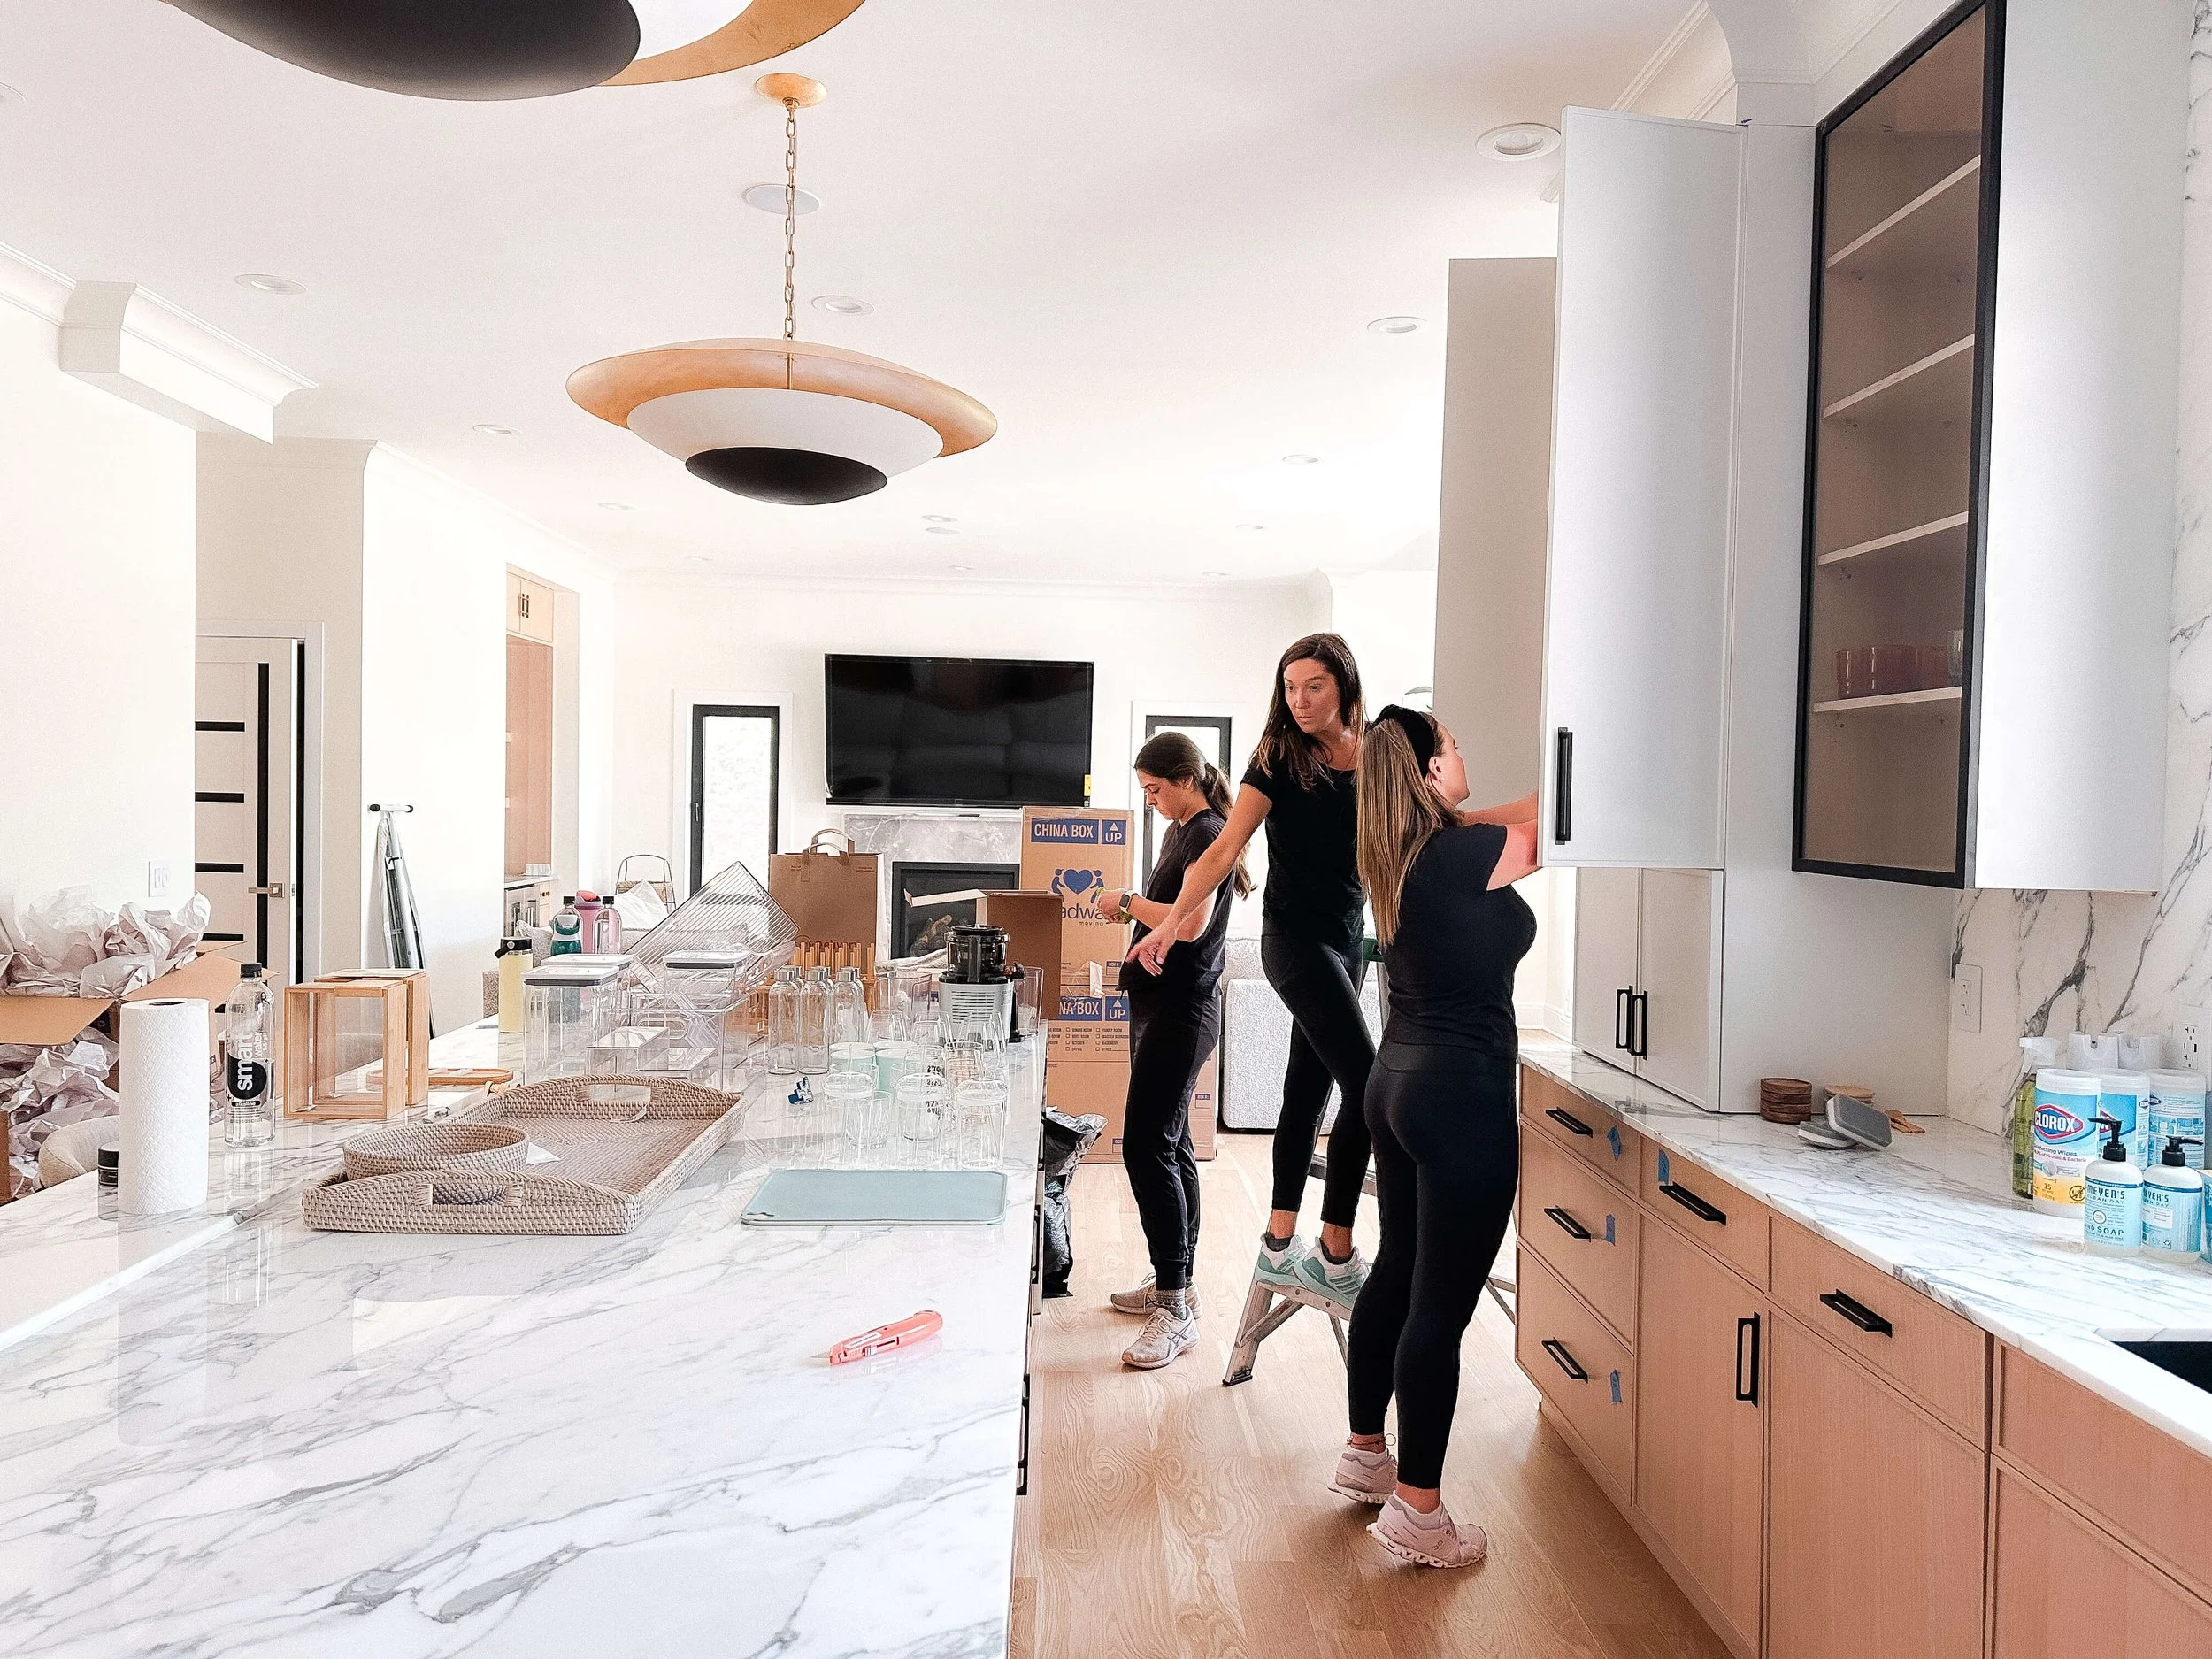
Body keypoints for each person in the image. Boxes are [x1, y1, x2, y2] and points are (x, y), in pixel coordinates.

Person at [1327, 705, 1538, 1570]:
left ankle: (1364, 1452)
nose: (1462, 750)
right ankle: (1418, 1511)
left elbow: (1503, 826)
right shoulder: (1459, 853)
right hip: (1459, 1096)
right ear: (1428, 771)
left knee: (1397, 1272)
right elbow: (1560, 819)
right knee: (1439, 1311)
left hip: (1397, 1083)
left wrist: (1448, 806)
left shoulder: (1400, 850)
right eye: (1450, 744)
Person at [1129, 633, 1374, 1314]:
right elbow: (1223, 850)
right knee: (1369, 1083)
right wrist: (1170, 923)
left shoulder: (1377, 755)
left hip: (1347, 941)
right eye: (1290, 687)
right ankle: (1335, 1251)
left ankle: (1278, 1241)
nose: (1300, 700)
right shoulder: (1276, 756)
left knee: (1307, 1088)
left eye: (1314, 686)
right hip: (1292, 941)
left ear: (1345, 686)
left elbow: (1408, 833)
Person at [1087, 732, 1250, 1370]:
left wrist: (1127, 901)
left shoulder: (1207, 831)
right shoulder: (1182, 829)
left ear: (1186, 779)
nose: (1150, 800)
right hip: (1162, 1005)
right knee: (1172, 1143)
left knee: (1144, 1145)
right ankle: (1174, 1284)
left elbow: (1191, 924)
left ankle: (1175, 1308)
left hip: (1184, 1010)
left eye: (1155, 789)